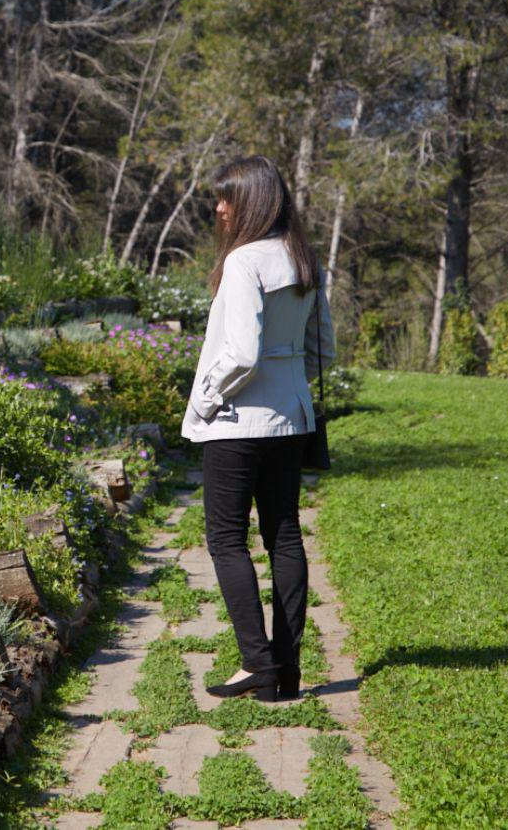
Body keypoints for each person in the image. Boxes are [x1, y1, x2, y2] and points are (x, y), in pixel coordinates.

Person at [183, 154, 335, 702]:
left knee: (226, 539)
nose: (219, 208)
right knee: (284, 535)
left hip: (235, 419)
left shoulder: (245, 262)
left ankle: (256, 662)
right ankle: (286, 671)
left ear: (253, 201)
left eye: (227, 197)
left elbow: (240, 354)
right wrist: (288, 377)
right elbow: (324, 349)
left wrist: (202, 400)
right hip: (291, 419)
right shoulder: (305, 261)